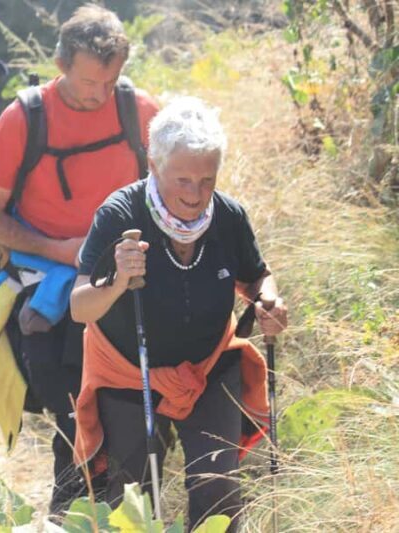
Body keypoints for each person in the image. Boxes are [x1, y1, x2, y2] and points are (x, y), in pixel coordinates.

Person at [0, 5, 159, 515]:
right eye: (88, 82)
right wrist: (61, 250)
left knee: (132, 412)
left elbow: (174, 194)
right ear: (60, 64)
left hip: (127, 281)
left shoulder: (138, 111)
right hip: (49, 287)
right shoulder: (24, 118)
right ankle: (75, 514)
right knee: (74, 412)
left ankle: (120, 511)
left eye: (111, 79)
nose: (100, 94)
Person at [70, 97, 288, 530]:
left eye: (207, 180)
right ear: (153, 164)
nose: (195, 194)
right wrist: (116, 282)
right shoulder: (120, 215)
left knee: (218, 483)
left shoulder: (226, 216)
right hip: (130, 371)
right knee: (132, 494)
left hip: (209, 364)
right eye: (183, 179)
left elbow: (258, 277)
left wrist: (269, 302)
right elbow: (79, 307)